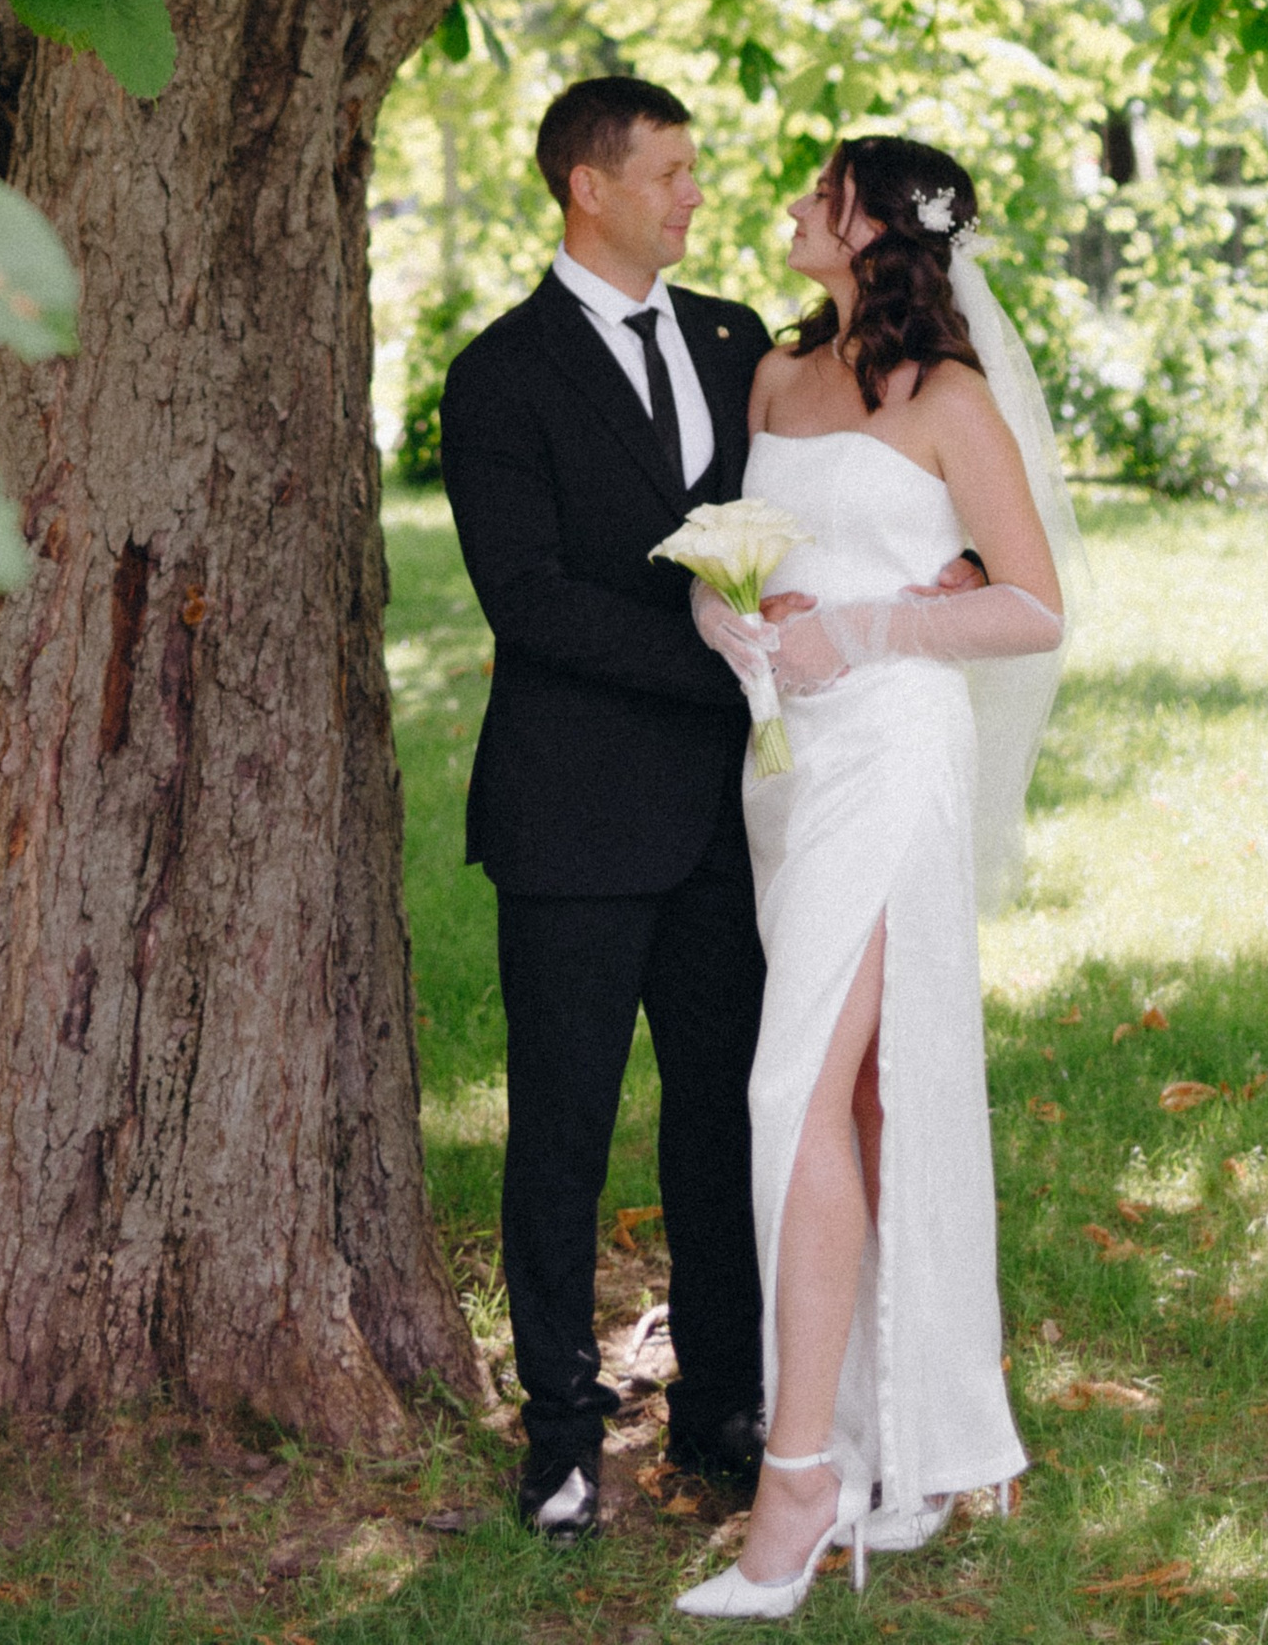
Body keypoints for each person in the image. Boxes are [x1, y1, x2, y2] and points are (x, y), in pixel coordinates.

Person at [672, 137, 1077, 1620]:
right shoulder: (776, 377)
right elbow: (735, 551)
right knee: (854, 1101)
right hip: (784, 763)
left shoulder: (949, 399)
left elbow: (1033, 606)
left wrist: (875, 631)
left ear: (871, 226)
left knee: (788, 1092)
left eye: (818, 190)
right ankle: (900, 1439)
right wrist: (725, 618)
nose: (791, 204)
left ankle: (799, 1483)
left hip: (894, 754)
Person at [437, 81, 779, 1540]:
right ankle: (563, 1439)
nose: (695, 194)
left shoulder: (737, 340)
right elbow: (528, 600)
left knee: (724, 1122)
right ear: (591, 187)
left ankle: (724, 1407)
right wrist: (720, 661)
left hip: (725, 824)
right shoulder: (498, 374)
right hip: (571, 820)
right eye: (672, 171)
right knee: (562, 1137)